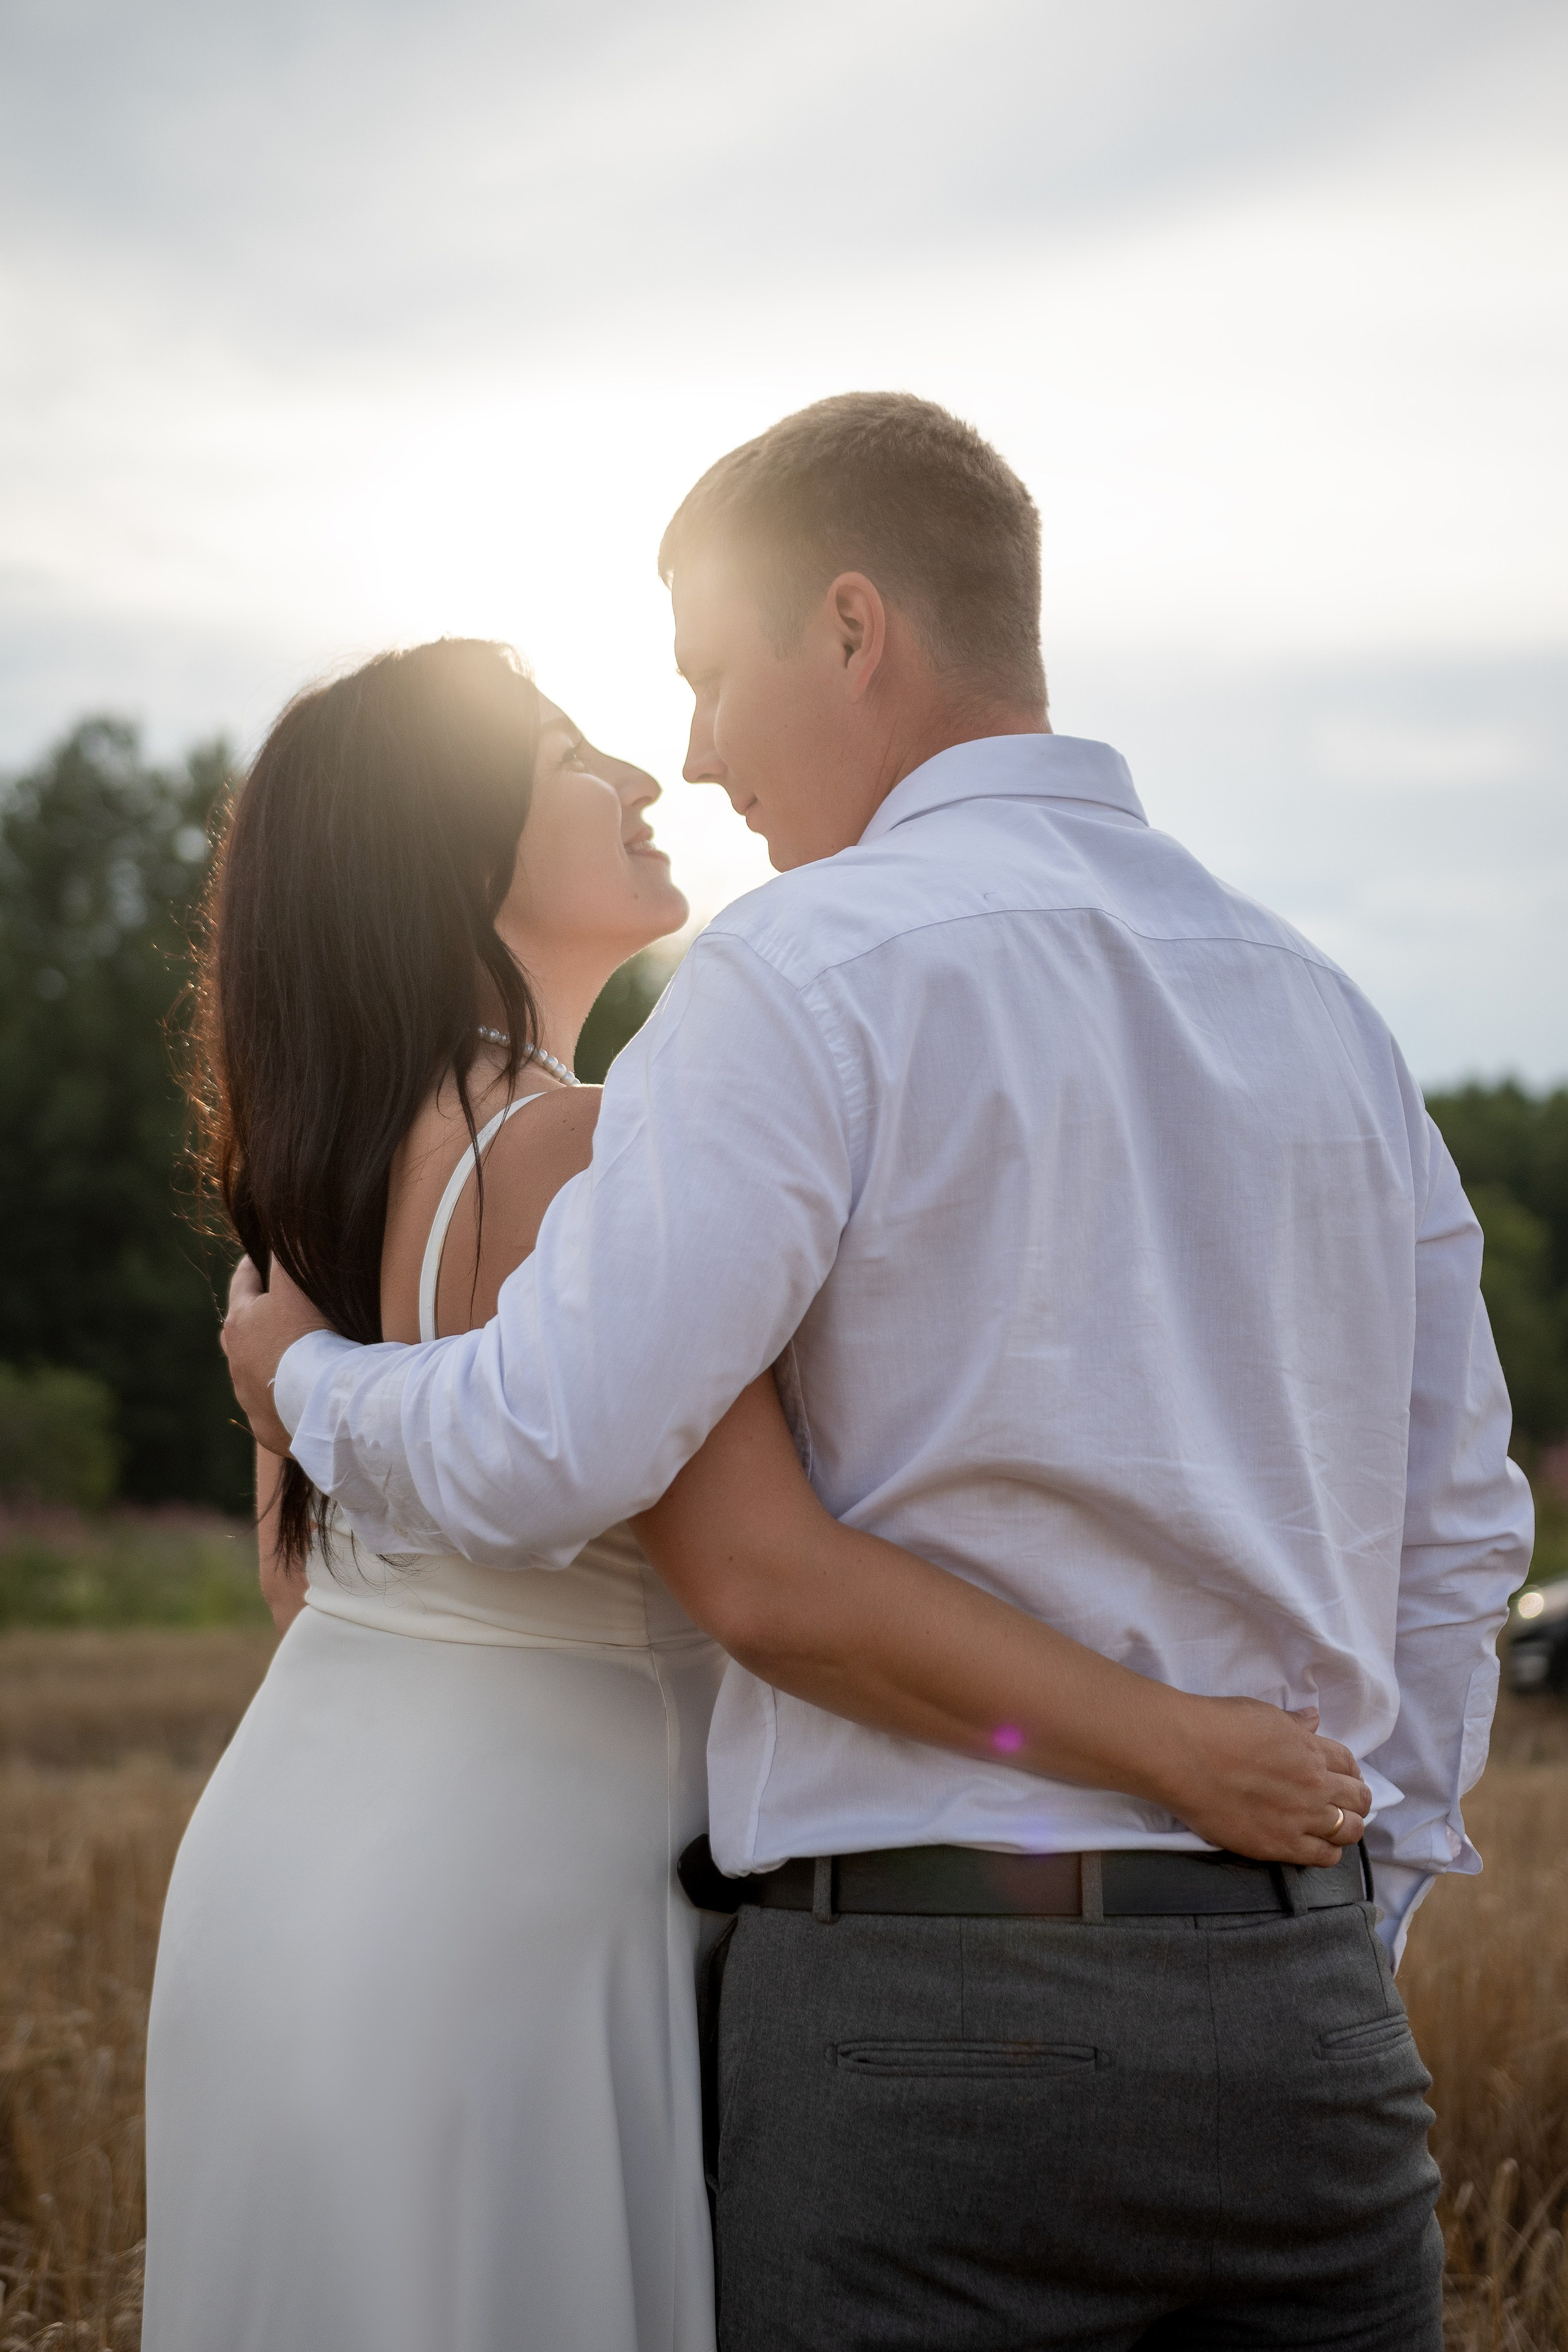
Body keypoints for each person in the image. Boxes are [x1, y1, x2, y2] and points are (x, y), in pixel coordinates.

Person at [223, 394, 1533, 2351]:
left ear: (850, 632)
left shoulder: (799, 974)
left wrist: (307, 1382)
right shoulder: (1327, 1013)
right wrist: (1350, 1915)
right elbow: (1461, 1538)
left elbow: (555, 1444)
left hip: (925, 2027)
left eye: (706, 678)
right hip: (1309, 2039)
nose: (694, 752)